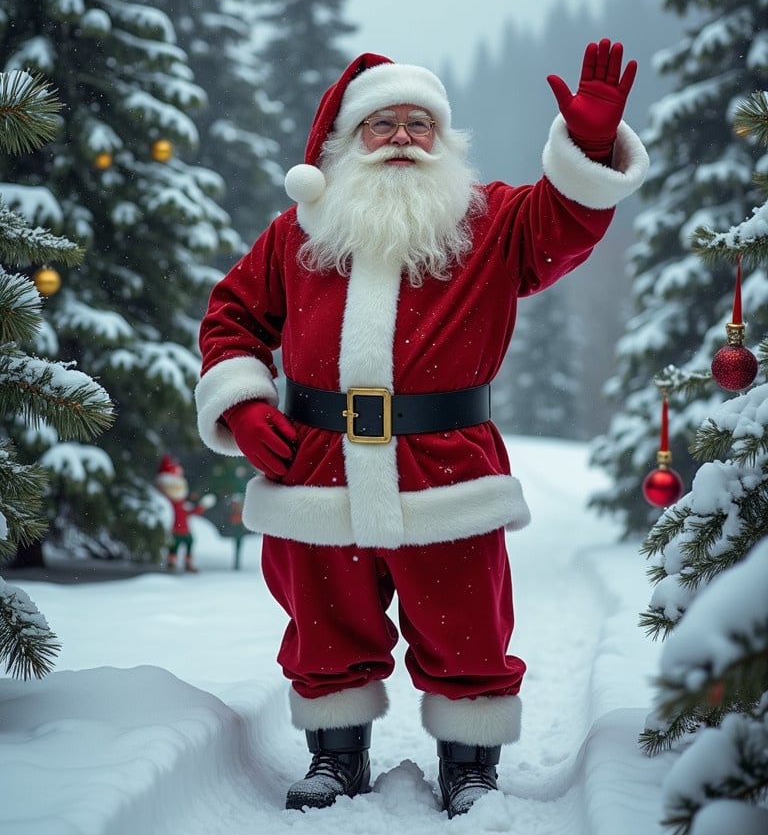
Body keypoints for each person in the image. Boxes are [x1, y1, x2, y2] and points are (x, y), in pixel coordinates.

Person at [195, 40, 648, 816]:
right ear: (346, 140)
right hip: (319, 464)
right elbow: (231, 317)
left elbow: (565, 221)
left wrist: (589, 149)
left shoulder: (491, 222)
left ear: (443, 141)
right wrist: (242, 402)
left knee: (465, 618)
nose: (402, 137)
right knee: (323, 617)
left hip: (446, 463)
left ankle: (469, 765)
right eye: (381, 124)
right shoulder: (297, 233)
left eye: (419, 123)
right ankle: (336, 758)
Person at [154, 454, 215, 572]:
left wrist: (202, 506)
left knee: (189, 542)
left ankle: (186, 562)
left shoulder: (180, 502)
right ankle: (172, 561)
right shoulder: (169, 503)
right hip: (175, 530)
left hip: (185, 530)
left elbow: (188, 513)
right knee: (174, 546)